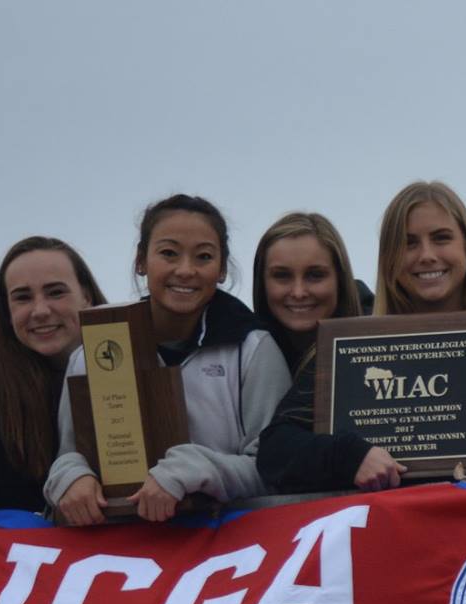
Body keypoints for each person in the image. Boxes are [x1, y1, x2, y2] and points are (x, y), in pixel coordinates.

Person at [257, 181, 466, 492]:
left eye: (441, 238)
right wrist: (349, 456)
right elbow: (274, 452)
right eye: (409, 243)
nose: (426, 255)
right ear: (389, 257)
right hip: (379, 534)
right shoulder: (348, 352)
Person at [47, 194, 289, 524]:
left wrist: (198, 470)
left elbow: (274, 467)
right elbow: (70, 454)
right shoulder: (96, 348)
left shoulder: (252, 349)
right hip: (123, 548)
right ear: (141, 261)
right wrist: (70, 477)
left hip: (224, 545)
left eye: (203, 257)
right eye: (168, 253)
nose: (185, 270)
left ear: (221, 269)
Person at [0, 236, 108, 512]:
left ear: (86, 296)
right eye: (23, 298)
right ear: (7, 311)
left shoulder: (143, 362)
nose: (40, 311)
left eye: (56, 292)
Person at [249, 211, 364, 373]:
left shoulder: (389, 346)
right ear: (262, 284)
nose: (298, 292)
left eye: (315, 275)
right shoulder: (240, 358)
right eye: (282, 275)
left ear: (340, 280)